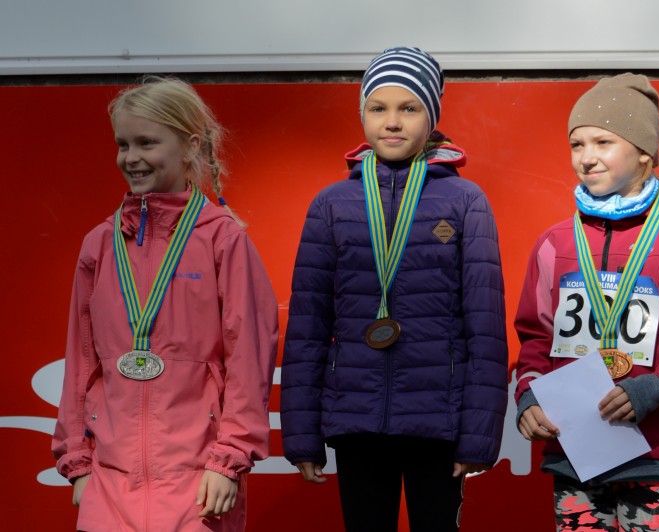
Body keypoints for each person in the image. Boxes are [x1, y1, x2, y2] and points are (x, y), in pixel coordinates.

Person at [280, 46, 508, 532]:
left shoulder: (465, 201)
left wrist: (479, 435)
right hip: (356, 418)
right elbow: (308, 328)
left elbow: (485, 328)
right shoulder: (331, 205)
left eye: (409, 108)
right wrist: (302, 436)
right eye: (377, 108)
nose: (392, 122)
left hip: (439, 421)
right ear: (362, 115)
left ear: (432, 116)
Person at [514, 73, 659, 531]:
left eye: (603, 141)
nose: (586, 156)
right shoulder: (555, 242)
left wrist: (654, 388)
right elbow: (536, 336)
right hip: (573, 446)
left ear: (645, 152)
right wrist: (529, 394)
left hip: (653, 447)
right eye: (577, 144)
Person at [52, 77, 279, 531]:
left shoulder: (222, 239)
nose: (131, 157)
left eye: (147, 143)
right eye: (123, 144)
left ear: (190, 145)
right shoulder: (100, 243)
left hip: (199, 481)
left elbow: (248, 359)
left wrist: (228, 459)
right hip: (109, 482)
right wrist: (77, 460)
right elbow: (81, 360)